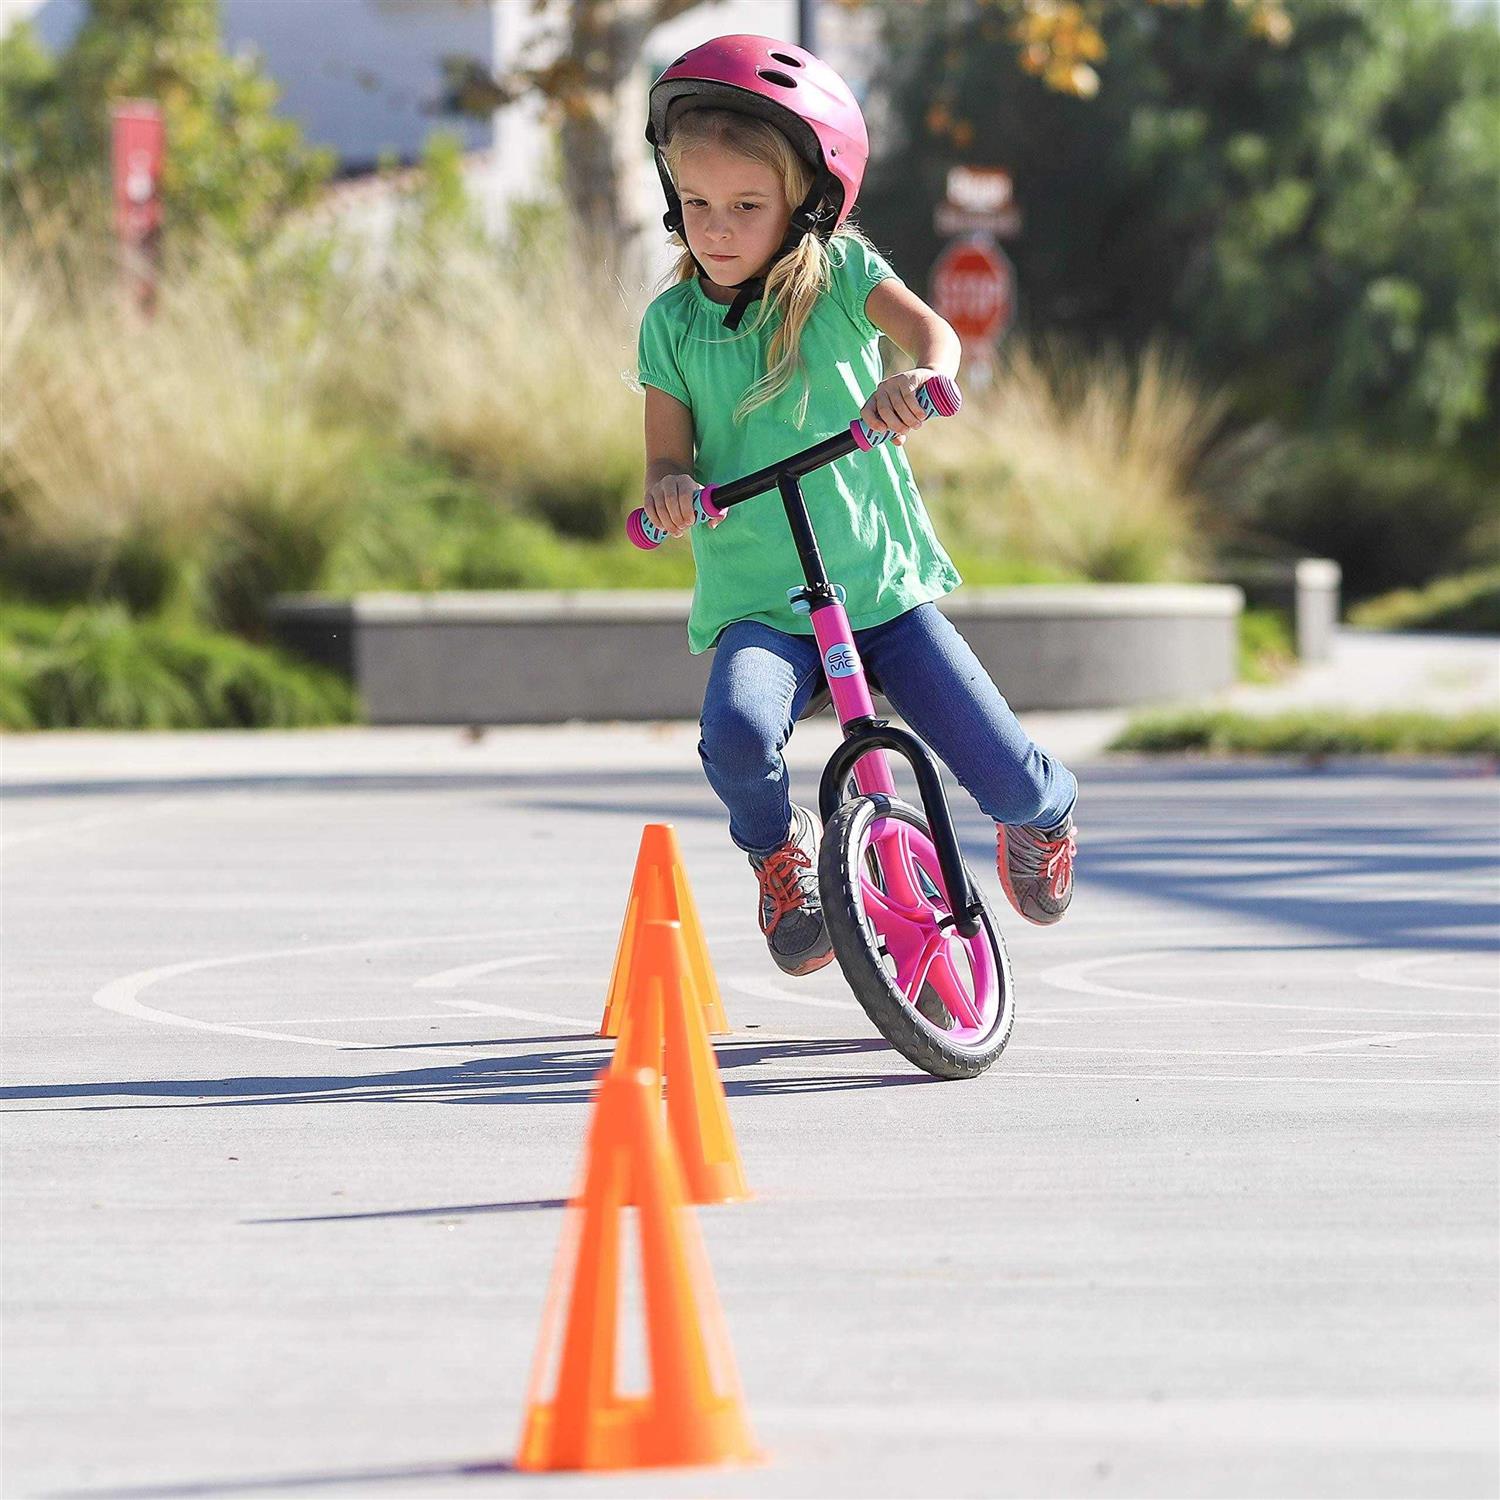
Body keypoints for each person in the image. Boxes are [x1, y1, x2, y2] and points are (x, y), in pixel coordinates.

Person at [636, 35, 1077, 978]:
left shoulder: (837, 276)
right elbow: (665, 457)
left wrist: (919, 378)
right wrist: (669, 492)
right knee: (739, 734)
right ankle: (779, 857)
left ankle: (1045, 814)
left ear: (806, 204)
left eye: (746, 207)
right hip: (764, 601)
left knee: (1001, 769)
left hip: (877, 588)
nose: (717, 227)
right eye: (698, 204)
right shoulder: (671, 325)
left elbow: (933, 335)